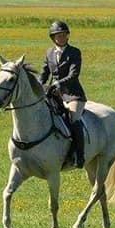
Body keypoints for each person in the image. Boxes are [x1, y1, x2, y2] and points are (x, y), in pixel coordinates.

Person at [38, 20, 86, 168]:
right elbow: (44, 74)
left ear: (67, 36)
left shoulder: (74, 52)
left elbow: (74, 75)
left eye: (63, 35)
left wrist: (58, 83)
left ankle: (79, 155)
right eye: (58, 35)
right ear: (53, 38)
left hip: (72, 95)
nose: (61, 38)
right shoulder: (49, 52)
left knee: (73, 118)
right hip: (54, 95)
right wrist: (38, 85)